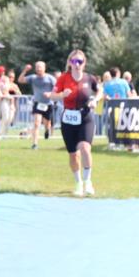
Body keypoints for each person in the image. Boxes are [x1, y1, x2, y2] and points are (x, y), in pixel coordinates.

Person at [47, 49, 100, 196]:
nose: (77, 64)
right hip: (69, 119)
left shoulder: (90, 78)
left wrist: (95, 100)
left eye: (80, 62)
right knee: (73, 154)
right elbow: (52, 95)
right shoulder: (64, 78)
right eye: (74, 61)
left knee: (85, 148)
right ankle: (78, 183)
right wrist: (61, 95)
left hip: (85, 117)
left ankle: (88, 181)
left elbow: (99, 91)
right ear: (70, 63)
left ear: (84, 63)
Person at [19, 61, 55, 149]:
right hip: (37, 103)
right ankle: (35, 144)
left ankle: (47, 130)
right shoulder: (33, 78)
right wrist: (25, 70)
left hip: (48, 104)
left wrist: (50, 93)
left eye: (40, 67)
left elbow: (57, 88)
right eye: (37, 67)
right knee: (36, 123)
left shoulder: (50, 78)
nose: (39, 69)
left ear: (44, 68)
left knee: (47, 123)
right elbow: (20, 80)